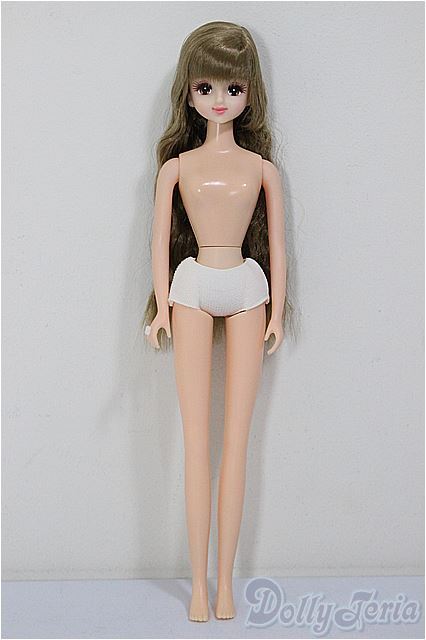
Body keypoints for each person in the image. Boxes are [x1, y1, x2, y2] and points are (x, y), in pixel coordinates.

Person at [143, 20, 294, 622]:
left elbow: (277, 247)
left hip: (248, 287)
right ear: (189, 92)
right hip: (192, 285)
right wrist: (160, 305)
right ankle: (199, 589)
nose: (220, 99)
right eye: (206, 87)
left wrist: (278, 309)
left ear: (250, 92)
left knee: (237, 444)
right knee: (196, 444)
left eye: (233, 88)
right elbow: (159, 242)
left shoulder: (263, 170)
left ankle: (225, 583)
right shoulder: (175, 167)